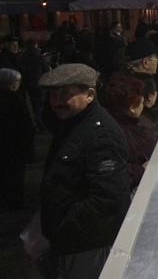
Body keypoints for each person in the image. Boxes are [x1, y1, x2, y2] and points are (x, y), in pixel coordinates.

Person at [37, 64, 130, 278]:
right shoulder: (71, 125)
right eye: (52, 95)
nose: (57, 101)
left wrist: (62, 226)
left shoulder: (100, 135)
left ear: (89, 95)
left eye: (65, 94)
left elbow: (108, 199)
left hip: (86, 246)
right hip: (70, 244)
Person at [103, 74, 158, 191]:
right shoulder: (116, 134)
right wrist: (142, 170)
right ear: (133, 107)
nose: (142, 107)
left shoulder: (111, 122)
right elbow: (113, 172)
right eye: (141, 103)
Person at [0, 69, 33, 210]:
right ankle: (14, 202)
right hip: (15, 144)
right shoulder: (16, 100)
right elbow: (25, 124)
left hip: (4, 142)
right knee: (15, 175)